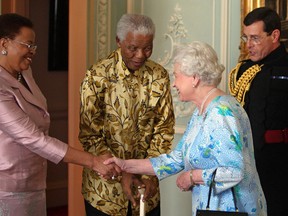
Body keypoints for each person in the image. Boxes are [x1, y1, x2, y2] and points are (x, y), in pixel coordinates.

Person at [105, 41, 267, 216]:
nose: (174, 84)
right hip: (212, 209)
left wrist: (192, 177)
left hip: (232, 210)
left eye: (177, 76)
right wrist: (125, 165)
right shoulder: (202, 111)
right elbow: (176, 159)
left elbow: (235, 172)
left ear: (194, 78)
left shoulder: (220, 115)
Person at [0, 13, 120, 216]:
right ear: (4, 43)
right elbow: (33, 138)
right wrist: (93, 161)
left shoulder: (24, 74)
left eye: (34, 46)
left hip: (35, 179)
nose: (32, 52)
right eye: (28, 45)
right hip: (8, 186)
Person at [79, 13, 175, 216]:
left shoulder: (159, 76)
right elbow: (90, 135)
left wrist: (149, 174)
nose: (140, 55)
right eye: (133, 48)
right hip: (104, 191)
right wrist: (122, 173)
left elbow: (163, 130)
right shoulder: (97, 75)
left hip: (146, 188)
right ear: (118, 41)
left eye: (147, 48)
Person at [228, 7, 288, 216]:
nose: (248, 45)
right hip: (243, 161)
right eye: (246, 38)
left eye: (255, 38)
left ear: (274, 35)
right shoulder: (242, 70)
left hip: (278, 163)